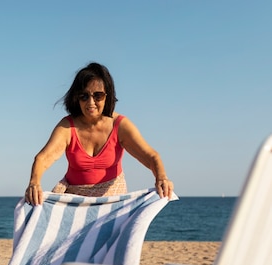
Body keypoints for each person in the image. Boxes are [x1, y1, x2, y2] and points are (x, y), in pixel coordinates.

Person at [25, 62, 173, 205]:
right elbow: (43, 158)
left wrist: (161, 177)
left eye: (98, 96)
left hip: (113, 200)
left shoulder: (120, 125)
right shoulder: (67, 127)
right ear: (77, 98)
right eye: (84, 96)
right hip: (75, 200)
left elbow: (150, 156)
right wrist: (34, 183)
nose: (91, 102)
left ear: (107, 96)